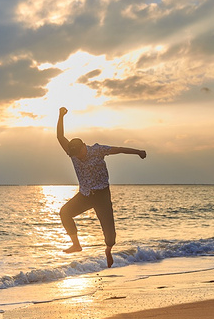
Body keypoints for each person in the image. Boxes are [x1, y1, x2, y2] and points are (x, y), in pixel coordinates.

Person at [56, 107, 147, 267]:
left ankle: (108, 250)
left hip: (102, 196)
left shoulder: (97, 150)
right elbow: (60, 136)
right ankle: (76, 244)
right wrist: (61, 116)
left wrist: (138, 152)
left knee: (110, 234)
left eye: (80, 152)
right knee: (64, 212)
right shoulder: (73, 153)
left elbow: (118, 149)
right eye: (75, 154)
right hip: (84, 195)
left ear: (84, 145)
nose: (79, 156)